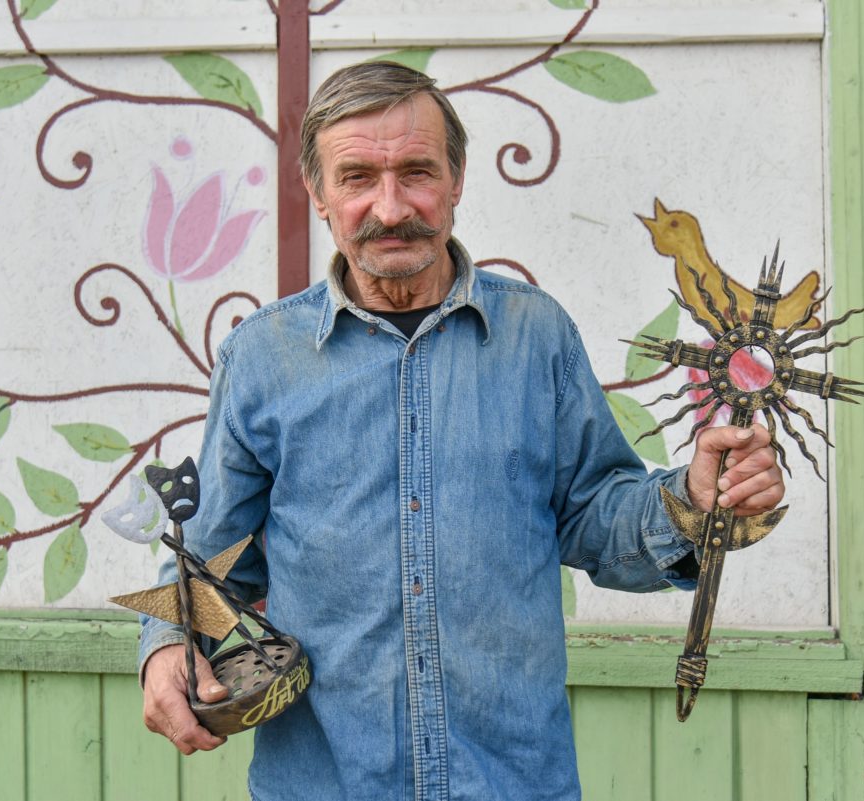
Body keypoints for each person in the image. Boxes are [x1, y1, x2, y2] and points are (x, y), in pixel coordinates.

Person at [139, 61, 784, 801]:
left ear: (457, 178)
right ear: (316, 194)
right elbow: (212, 557)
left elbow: (594, 517)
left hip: (511, 781)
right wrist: (166, 646)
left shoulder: (535, 335)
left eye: (416, 171)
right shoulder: (262, 356)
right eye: (356, 178)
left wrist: (691, 499)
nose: (390, 207)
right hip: (325, 783)